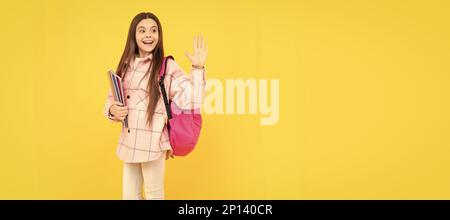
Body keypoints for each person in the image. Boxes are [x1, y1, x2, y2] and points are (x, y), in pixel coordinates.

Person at [103, 12, 207, 200]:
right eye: (142, 31)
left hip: (154, 143)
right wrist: (112, 110)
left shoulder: (167, 67)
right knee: (129, 197)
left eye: (153, 30)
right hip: (129, 143)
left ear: (159, 35)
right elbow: (111, 99)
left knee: (153, 196)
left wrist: (198, 68)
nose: (148, 35)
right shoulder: (125, 66)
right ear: (134, 35)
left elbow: (193, 100)